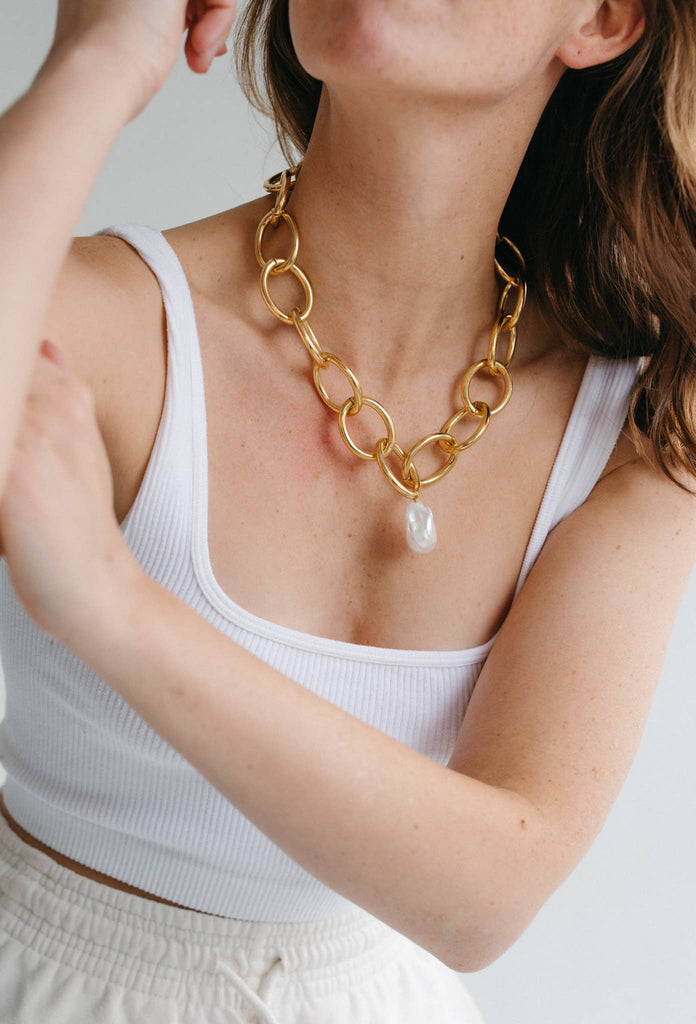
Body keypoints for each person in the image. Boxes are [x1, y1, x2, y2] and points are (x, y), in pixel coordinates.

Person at [0, 0, 695, 1021]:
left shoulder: (639, 432)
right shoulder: (120, 318)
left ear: (600, 20)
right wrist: (97, 58)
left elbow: (486, 897)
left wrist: (114, 606)